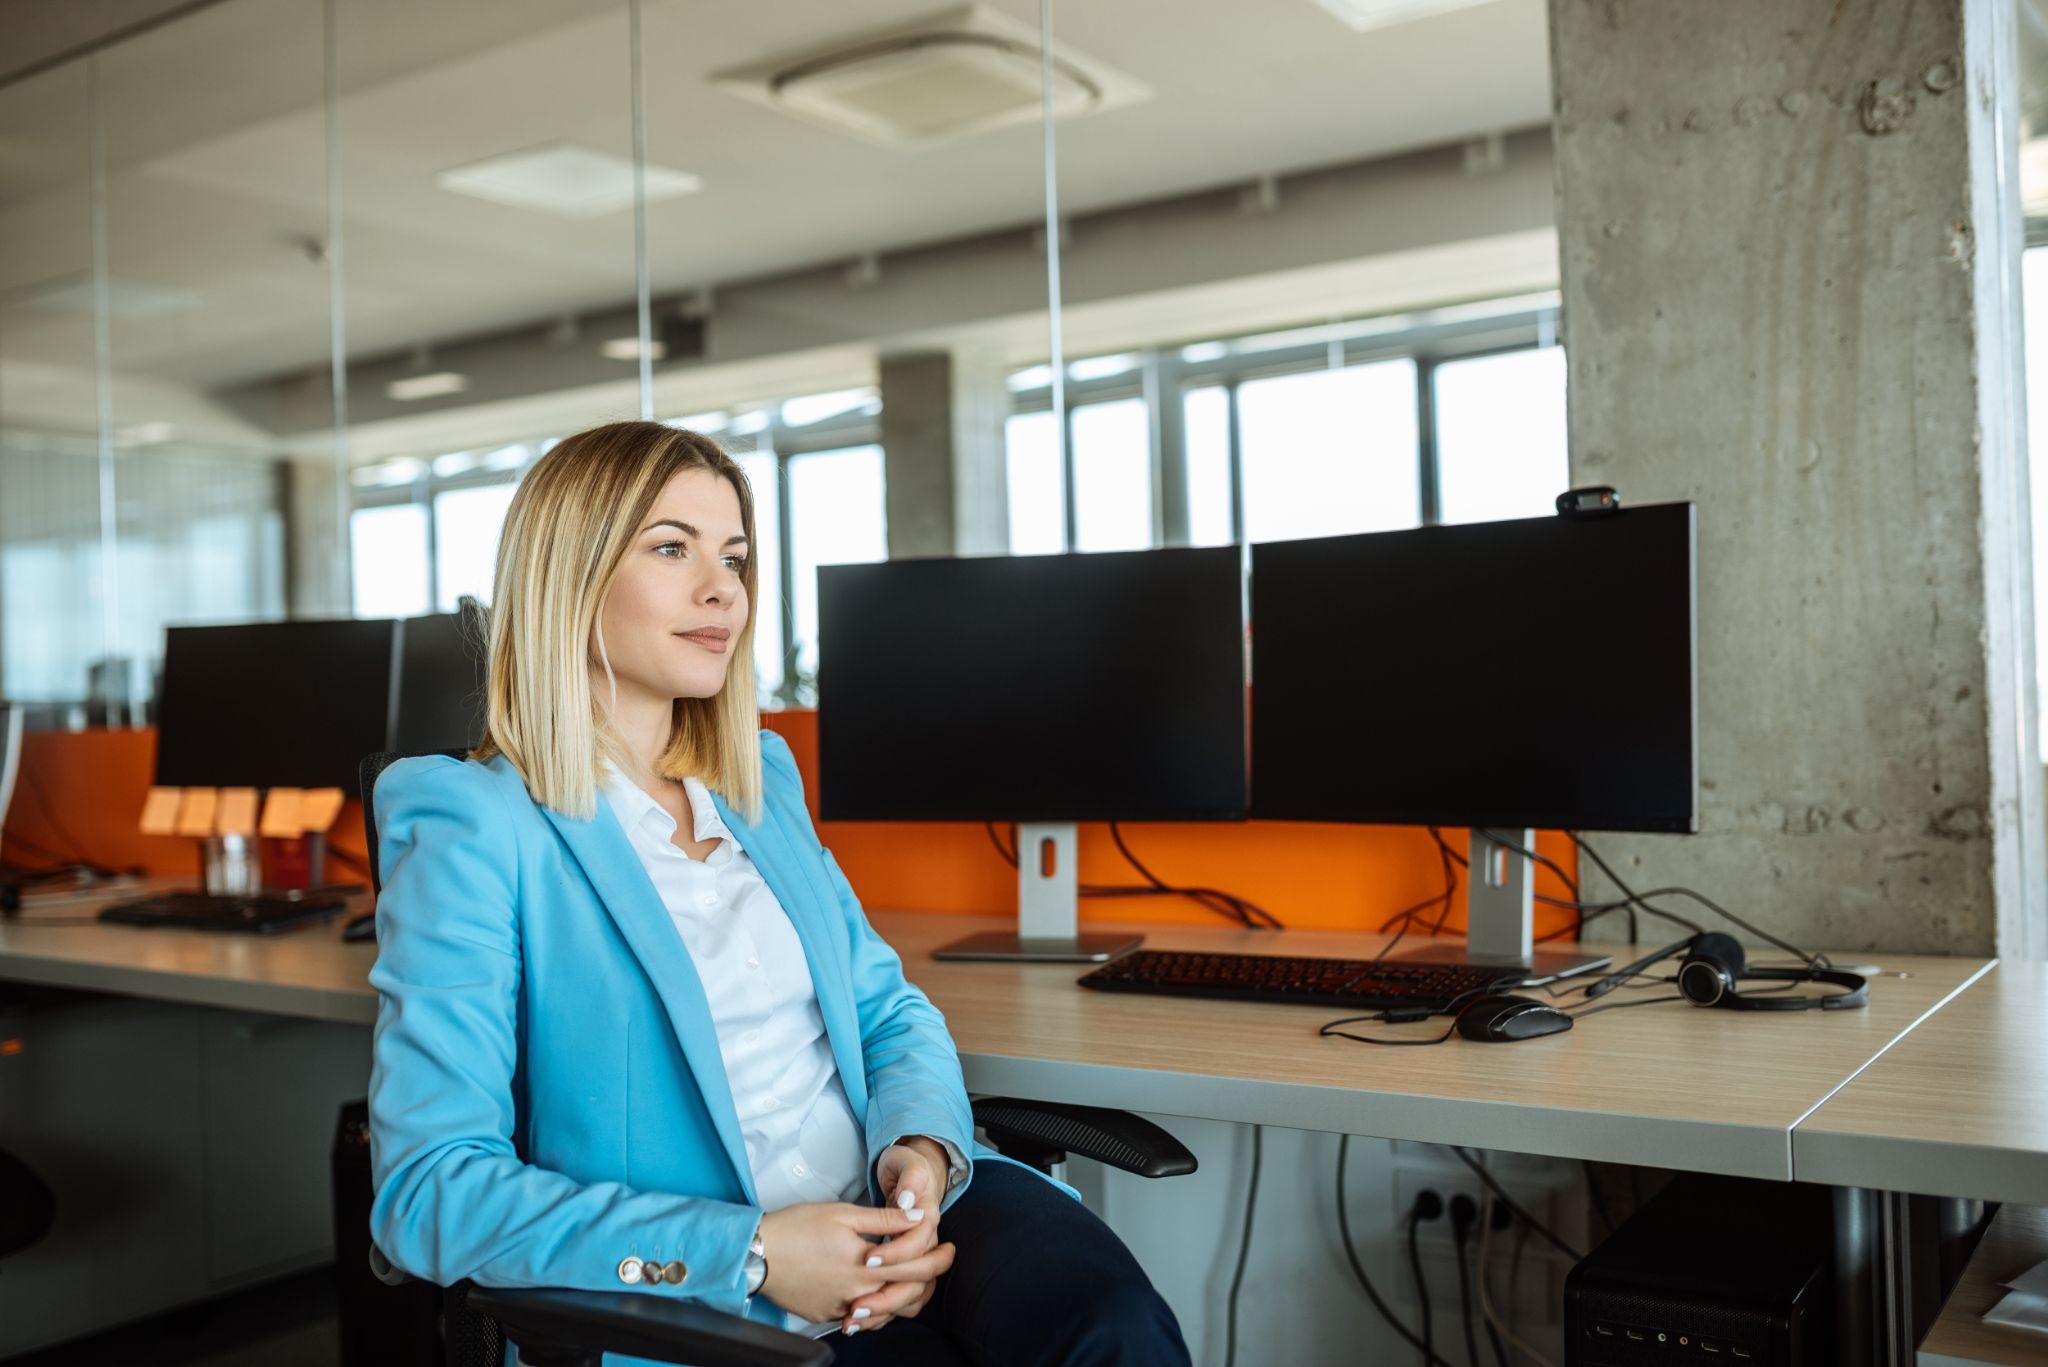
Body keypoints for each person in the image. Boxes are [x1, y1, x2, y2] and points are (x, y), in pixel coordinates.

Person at [365, 420, 1191, 1366]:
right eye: (673, 549)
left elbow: (887, 1011)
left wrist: (921, 1152)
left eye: (737, 556)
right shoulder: (476, 822)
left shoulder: (756, 780)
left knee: (1113, 1327)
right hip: (723, 1297)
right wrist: (750, 1253)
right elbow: (428, 1194)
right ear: (571, 571)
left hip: (908, 1209)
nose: (725, 589)